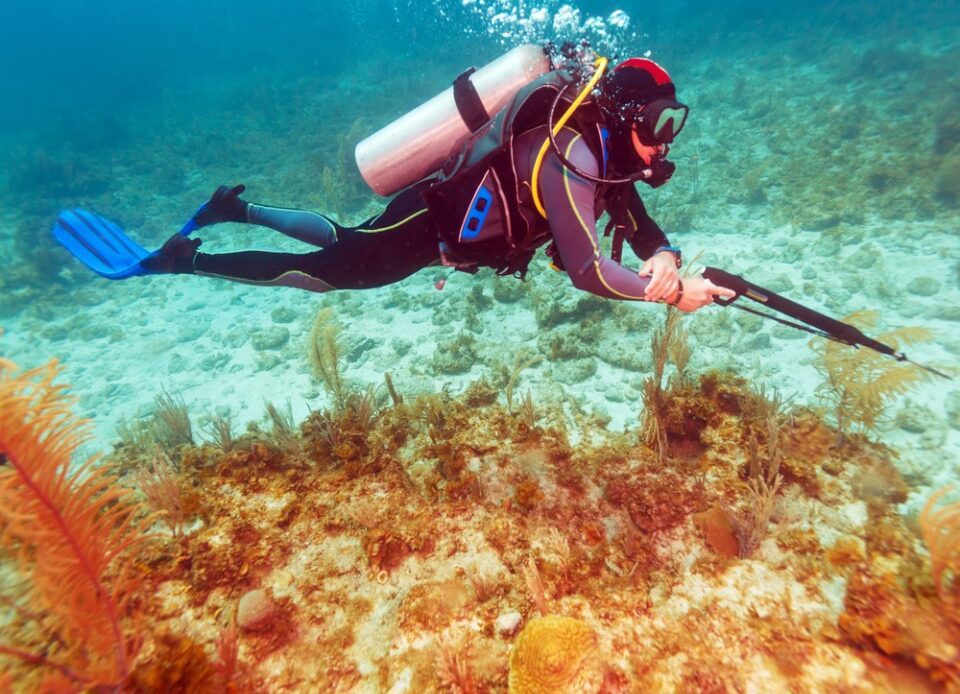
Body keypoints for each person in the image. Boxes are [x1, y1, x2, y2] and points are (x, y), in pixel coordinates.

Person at [143, 56, 735, 312]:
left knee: (341, 241)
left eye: (674, 124)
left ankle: (234, 210)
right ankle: (185, 261)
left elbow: (631, 213)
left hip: (449, 231)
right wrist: (671, 292)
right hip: (425, 223)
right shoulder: (569, 149)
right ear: (626, 113)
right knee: (333, 272)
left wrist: (662, 253)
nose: (665, 141)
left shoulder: (606, 153)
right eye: (660, 123)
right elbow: (587, 271)